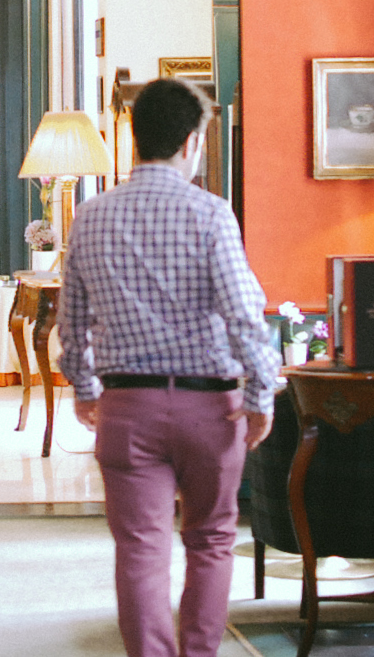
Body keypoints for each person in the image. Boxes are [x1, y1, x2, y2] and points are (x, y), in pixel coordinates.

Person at [60, 77, 280, 657]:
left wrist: (84, 387)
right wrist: (261, 394)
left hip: (126, 406)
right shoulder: (211, 214)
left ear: (137, 136)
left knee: (140, 549)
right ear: (191, 142)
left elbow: (71, 320)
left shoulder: (90, 217)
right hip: (210, 408)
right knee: (210, 540)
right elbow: (243, 314)